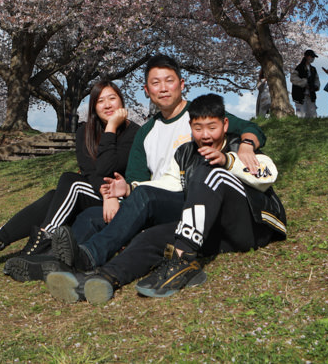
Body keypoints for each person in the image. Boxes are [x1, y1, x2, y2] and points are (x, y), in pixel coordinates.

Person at [8, 54, 265, 282]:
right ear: (146, 90)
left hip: (196, 198)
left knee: (143, 197)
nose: (163, 88)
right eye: (155, 83)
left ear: (181, 84)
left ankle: (87, 257)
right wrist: (119, 193)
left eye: (169, 81)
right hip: (159, 201)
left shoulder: (199, 117)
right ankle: (53, 258)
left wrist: (245, 145)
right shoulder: (146, 133)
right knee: (91, 217)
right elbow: (135, 178)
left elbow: (252, 129)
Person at [43, 94, 286, 304]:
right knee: (149, 227)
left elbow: (267, 175)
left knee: (209, 172)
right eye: (198, 128)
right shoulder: (185, 152)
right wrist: (128, 189)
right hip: (207, 230)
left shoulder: (238, 147)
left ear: (224, 124)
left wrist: (228, 160)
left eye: (212, 127)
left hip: (249, 226)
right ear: (190, 127)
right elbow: (168, 185)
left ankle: (183, 260)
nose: (205, 135)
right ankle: (100, 273)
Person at [0, 81, 138, 278]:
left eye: (112, 98)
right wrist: (106, 195)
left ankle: (41, 243)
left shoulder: (133, 133)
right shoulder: (85, 132)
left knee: (72, 182)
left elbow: (106, 169)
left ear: (121, 101)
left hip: (120, 196)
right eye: (100, 101)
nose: (107, 105)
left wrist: (111, 128)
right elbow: (89, 173)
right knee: (56, 195)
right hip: (100, 193)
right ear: (94, 107)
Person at [290, 49, 320, 118]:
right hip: (299, 94)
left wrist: (315, 86)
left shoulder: (313, 69)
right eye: (311, 56)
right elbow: (293, 78)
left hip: (311, 94)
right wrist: (304, 82)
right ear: (306, 57)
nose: (312, 58)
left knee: (312, 114)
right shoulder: (299, 68)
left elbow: (316, 80)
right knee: (301, 114)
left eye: (313, 57)